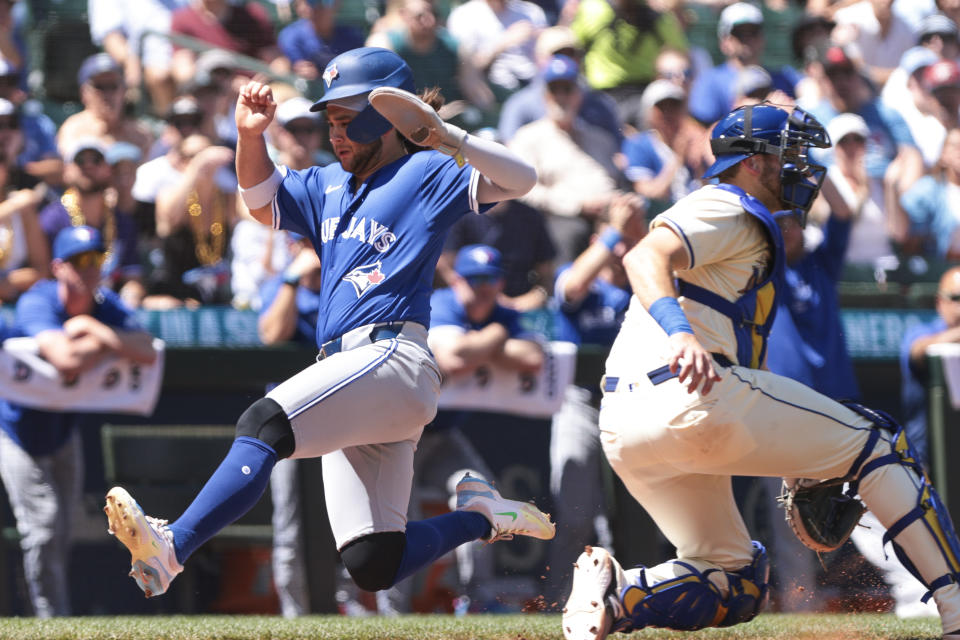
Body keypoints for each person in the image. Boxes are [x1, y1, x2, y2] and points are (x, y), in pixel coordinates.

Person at [103, 46, 555, 602]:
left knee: (263, 423)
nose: (335, 133)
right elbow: (260, 199)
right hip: (354, 373)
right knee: (373, 561)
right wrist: (250, 137)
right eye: (332, 120)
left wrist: (450, 138)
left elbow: (522, 179)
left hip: (393, 355)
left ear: (385, 119)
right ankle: (484, 517)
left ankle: (174, 545)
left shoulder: (426, 169)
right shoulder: (326, 184)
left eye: (346, 120)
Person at [560, 102, 960, 640]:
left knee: (736, 580)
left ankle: (620, 594)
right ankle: (957, 605)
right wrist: (680, 333)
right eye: (787, 153)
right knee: (880, 443)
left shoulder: (739, 223)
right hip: (689, 394)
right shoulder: (728, 203)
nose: (799, 165)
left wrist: (797, 459)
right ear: (751, 162)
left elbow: (756, 374)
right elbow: (643, 258)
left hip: (630, 424)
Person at [0, 225, 158, 617]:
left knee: (63, 528)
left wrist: (93, 330)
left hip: (62, 429)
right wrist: (105, 346)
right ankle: (48, 616)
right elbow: (65, 361)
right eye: (78, 261)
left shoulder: (105, 306)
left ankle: (54, 613)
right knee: (44, 523)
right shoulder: (38, 300)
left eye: (95, 259)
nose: (89, 269)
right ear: (58, 267)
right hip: (15, 428)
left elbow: (147, 351)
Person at [543, 194, 643, 608]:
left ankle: (627, 604)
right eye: (612, 239)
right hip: (579, 401)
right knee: (576, 515)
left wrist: (637, 234)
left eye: (626, 240)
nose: (620, 249)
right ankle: (557, 606)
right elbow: (572, 287)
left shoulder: (644, 284)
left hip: (636, 402)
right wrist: (616, 230)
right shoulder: (580, 276)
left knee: (634, 518)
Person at [257, 232, 323, 617]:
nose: (309, 250)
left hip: (341, 419)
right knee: (291, 524)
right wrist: (292, 279)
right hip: (290, 425)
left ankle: (353, 604)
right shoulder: (280, 286)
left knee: (348, 517)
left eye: (314, 241)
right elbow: (272, 334)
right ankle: (294, 614)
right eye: (302, 242)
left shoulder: (342, 283)